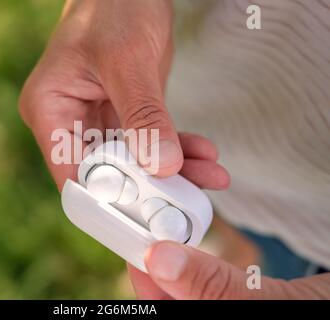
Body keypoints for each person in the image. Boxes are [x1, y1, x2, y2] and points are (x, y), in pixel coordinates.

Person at [19, 0, 330, 299]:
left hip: (320, 238)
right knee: (235, 211)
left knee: (269, 259)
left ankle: (242, 254)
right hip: (209, 101)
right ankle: (240, 248)